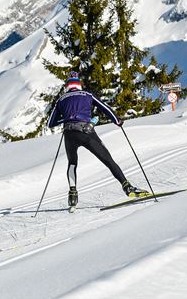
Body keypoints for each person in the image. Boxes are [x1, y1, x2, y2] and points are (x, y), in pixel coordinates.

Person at [47, 72, 148, 209]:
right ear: (79, 85)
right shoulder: (87, 95)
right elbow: (104, 108)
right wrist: (117, 120)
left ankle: (72, 195)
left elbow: (50, 123)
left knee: (72, 163)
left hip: (69, 134)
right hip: (86, 131)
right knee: (107, 159)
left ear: (68, 86)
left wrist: (66, 117)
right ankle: (127, 187)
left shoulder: (61, 99)